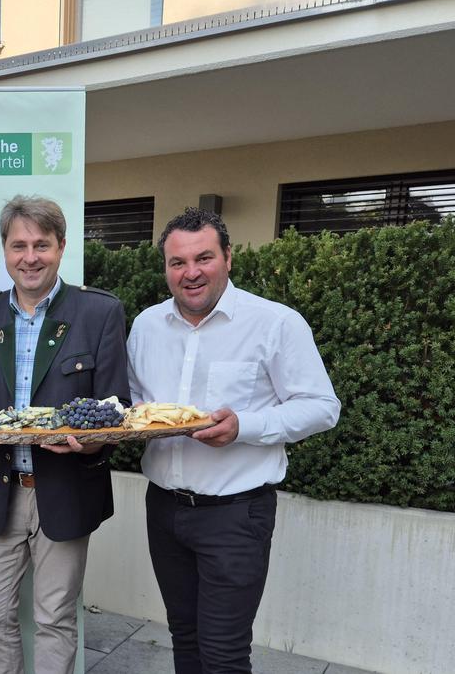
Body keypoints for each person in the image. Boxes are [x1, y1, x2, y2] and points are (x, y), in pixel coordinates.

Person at [126, 207, 341, 674]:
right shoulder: (145, 327)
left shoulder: (275, 323)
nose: (191, 273)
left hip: (235, 514)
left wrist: (245, 426)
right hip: (163, 508)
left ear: (228, 257)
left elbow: (323, 407)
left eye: (203, 258)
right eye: (177, 263)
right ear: (165, 268)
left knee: (223, 653)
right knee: (184, 639)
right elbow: (138, 406)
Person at [0, 195, 130, 674]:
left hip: (67, 486)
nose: (29, 257)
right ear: (5, 251)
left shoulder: (100, 312)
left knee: (55, 618)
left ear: (61, 246)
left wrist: (92, 440)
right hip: (0, 488)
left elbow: (117, 406)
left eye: (41, 245)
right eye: (19, 246)